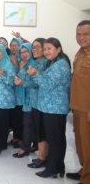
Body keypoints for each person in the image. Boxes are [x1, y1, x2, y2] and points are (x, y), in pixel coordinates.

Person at [27, 37, 71, 178]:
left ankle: (53, 168)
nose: (46, 52)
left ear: (58, 49)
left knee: (55, 140)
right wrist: (37, 75)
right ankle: (57, 166)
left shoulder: (60, 65)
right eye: (44, 49)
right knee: (56, 139)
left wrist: (35, 74)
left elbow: (46, 84)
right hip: (50, 108)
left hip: (55, 108)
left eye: (49, 49)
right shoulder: (53, 63)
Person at [67, 20, 90, 184]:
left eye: (86, 34)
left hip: (87, 109)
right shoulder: (80, 53)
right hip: (77, 107)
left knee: (88, 145)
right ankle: (85, 171)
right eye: (78, 34)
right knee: (80, 144)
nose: (81, 37)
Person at [27, 38, 48, 169]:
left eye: (37, 47)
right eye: (33, 47)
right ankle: (41, 156)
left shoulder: (47, 63)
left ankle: (44, 157)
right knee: (39, 131)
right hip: (35, 102)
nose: (34, 50)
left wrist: (34, 75)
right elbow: (31, 83)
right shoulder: (35, 63)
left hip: (44, 103)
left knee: (43, 131)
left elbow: (42, 83)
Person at [13, 43, 36, 158]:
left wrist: (21, 75)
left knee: (28, 124)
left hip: (32, 99)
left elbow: (30, 81)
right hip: (24, 98)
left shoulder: (34, 64)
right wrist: (21, 69)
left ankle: (26, 148)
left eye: (26, 51)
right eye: (22, 52)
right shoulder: (23, 64)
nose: (24, 54)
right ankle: (28, 145)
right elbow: (19, 79)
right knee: (27, 123)